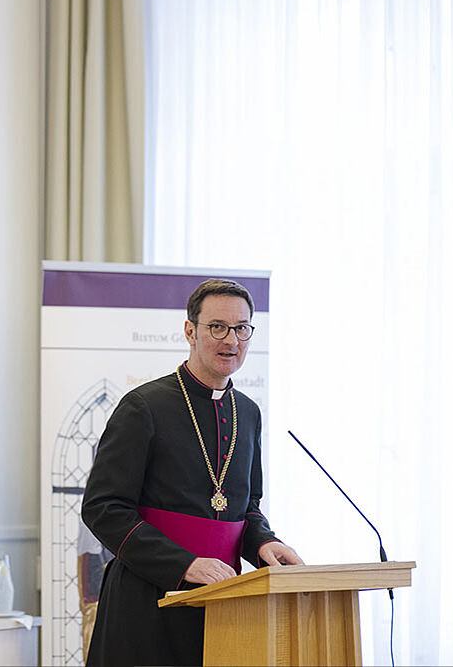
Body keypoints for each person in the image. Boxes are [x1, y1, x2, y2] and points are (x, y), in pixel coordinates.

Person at [81, 278, 303, 667]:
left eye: (241, 329)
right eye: (217, 327)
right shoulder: (142, 407)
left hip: (224, 603)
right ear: (190, 331)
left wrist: (263, 544)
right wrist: (183, 563)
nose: (230, 340)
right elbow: (103, 507)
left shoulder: (247, 412)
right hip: (147, 603)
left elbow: (245, 506)